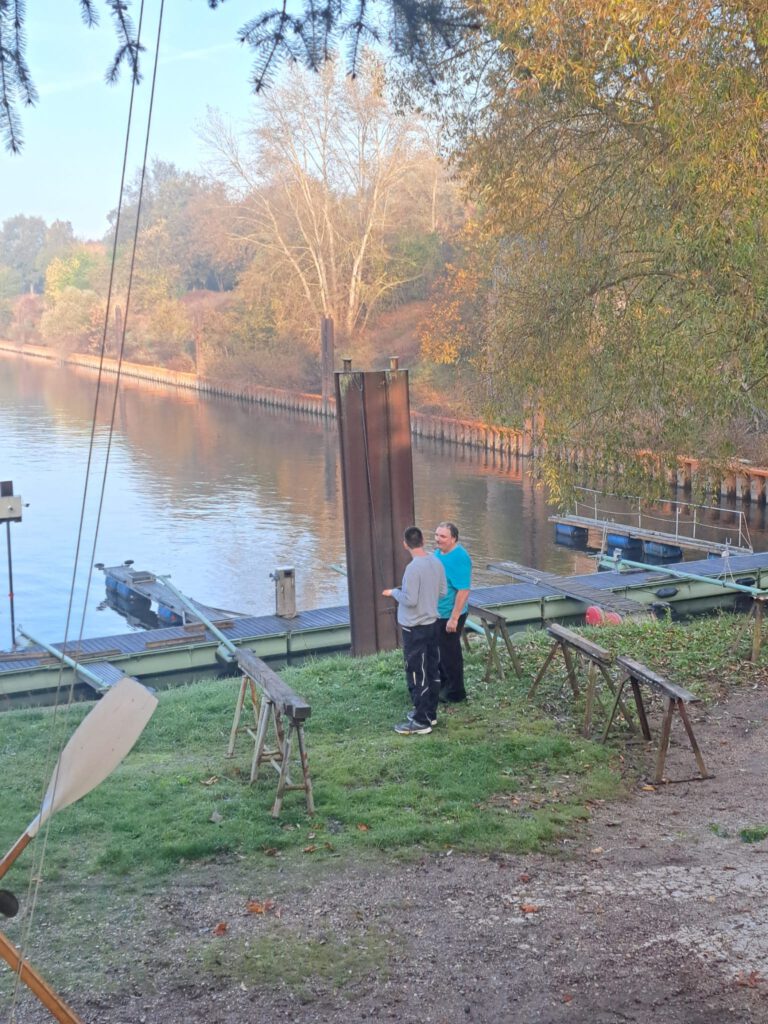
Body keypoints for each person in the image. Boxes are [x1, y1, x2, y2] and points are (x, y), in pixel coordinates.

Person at [383, 525, 447, 736]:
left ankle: (421, 721)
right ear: (423, 541)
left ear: (405, 544)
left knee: (416, 672)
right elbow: (443, 592)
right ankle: (430, 713)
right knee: (432, 669)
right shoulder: (436, 562)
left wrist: (394, 592)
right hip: (433, 624)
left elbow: (410, 600)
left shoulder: (412, 568)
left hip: (414, 628)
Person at [434, 521, 472, 703]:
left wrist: (454, 618)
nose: (438, 539)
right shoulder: (439, 552)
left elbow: (463, 590)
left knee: (450, 654)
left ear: (454, 538)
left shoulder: (460, 558)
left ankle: (456, 692)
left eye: (443, 536)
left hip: (450, 615)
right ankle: (443, 685)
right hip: (437, 612)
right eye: (436, 535)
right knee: (440, 653)